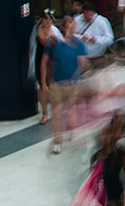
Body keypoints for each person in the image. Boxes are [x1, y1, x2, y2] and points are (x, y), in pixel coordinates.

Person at [41, 16, 89, 154]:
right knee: (56, 113)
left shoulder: (79, 44)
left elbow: (82, 64)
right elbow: (44, 61)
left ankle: (72, 133)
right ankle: (57, 141)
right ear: (63, 28)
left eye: (73, 28)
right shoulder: (54, 43)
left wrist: (81, 79)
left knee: (72, 113)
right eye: (68, 28)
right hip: (57, 84)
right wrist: (44, 82)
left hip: (74, 84)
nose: (71, 31)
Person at [94, 114, 125, 206]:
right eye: (103, 134)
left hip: (116, 195)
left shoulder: (121, 151)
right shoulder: (98, 155)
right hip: (102, 194)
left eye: (107, 133)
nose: (104, 137)